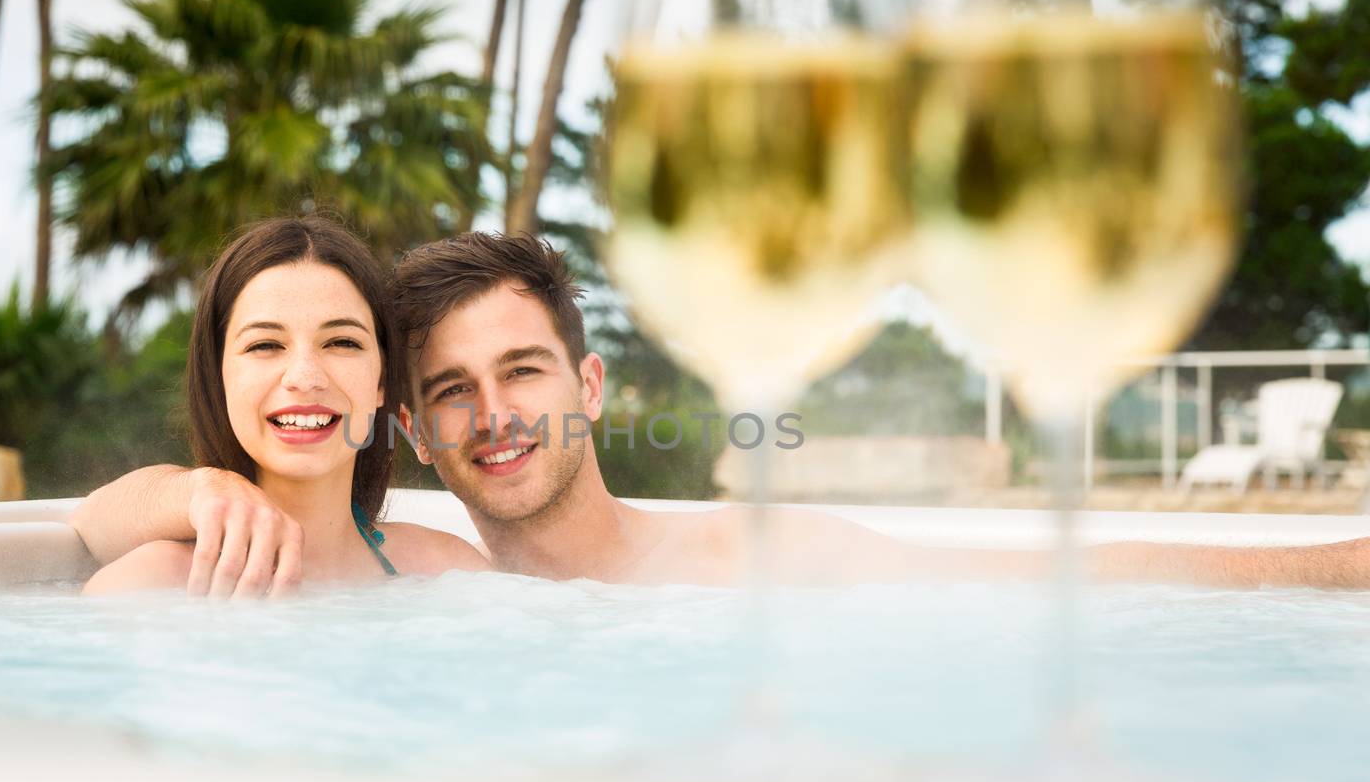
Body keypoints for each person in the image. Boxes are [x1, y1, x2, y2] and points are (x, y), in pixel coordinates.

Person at [74, 231, 1370, 593]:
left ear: (590, 389)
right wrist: (183, 491)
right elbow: (111, 531)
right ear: (407, 429)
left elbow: (1061, 575)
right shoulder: (432, 578)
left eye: (524, 371)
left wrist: (1339, 567)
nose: (495, 415)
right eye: (452, 392)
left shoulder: (757, 555)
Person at [74, 215, 489, 595]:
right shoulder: (148, 587)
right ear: (218, 379)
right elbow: (88, 519)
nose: (305, 377)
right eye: (265, 345)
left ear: (382, 381)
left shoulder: (449, 575)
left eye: (342, 342)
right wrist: (205, 486)